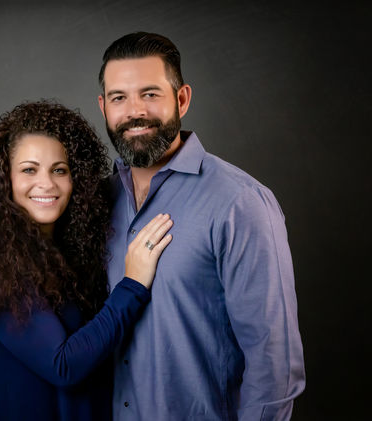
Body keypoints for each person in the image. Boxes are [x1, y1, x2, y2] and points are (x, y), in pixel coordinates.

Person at [96, 32, 305, 420]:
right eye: (118, 97)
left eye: (150, 94)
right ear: (103, 106)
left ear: (182, 99)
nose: (134, 111)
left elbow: (273, 366)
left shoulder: (239, 203)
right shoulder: (95, 203)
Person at [0, 101, 174, 421]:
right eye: (29, 170)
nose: (47, 183)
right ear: (3, 180)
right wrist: (133, 284)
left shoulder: (71, 254)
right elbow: (63, 365)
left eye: (59, 170)